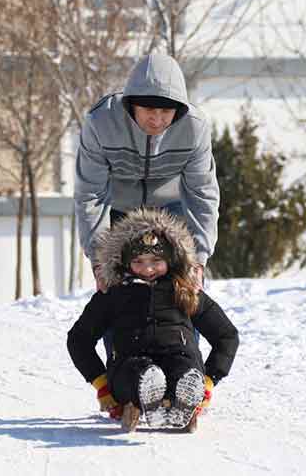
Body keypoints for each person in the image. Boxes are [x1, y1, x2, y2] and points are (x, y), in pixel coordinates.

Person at [67, 208, 238, 432]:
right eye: (138, 261)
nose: (147, 269)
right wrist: (101, 384)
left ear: (171, 258)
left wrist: (208, 380)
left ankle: (186, 396)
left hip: (180, 357)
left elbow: (226, 335)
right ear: (124, 261)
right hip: (130, 365)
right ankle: (149, 395)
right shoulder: (114, 294)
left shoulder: (184, 291)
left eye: (156, 260)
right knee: (138, 373)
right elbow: (79, 339)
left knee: (184, 370)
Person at [74, 52, 220, 292]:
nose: (157, 119)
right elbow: (91, 194)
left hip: (172, 208)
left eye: (166, 111)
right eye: (149, 108)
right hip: (119, 208)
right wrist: (100, 263)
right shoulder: (101, 122)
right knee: (117, 288)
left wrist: (198, 260)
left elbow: (202, 194)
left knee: (183, 285)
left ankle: (183, 329)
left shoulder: (195, 128)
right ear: (132, 103)